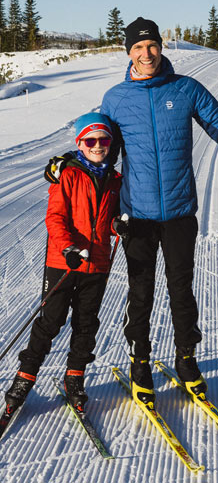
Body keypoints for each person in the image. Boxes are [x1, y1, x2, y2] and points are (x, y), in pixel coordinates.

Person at [44, 17, 218, 406]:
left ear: (160, 47)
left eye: (152, 46)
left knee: (182, 291)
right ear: (128, 52)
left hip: (180, 212)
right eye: (138, 48)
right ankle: (140, 361)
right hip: (137, 217)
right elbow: (100, 149)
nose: (146, 54)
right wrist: (64, 162)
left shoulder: (186, 90)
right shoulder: (116, 98)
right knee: (141, 293)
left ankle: (186, 360)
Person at [5, 113, 121, 413]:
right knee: (50, 321)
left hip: (97, 263)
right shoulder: (68, 173)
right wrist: (68, 247)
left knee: (86, 323)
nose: (98, 146)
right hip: (64, 261)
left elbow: (106, 221)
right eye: (91, 140)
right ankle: (24, 379)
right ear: (79, 143)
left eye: (103, 140)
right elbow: (55, 217)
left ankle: (74, 377)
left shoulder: (114, 179)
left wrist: (117, 227)